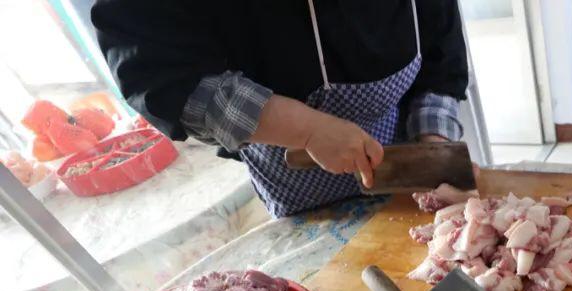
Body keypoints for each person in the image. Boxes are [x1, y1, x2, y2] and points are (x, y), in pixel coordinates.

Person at [91, 0, 469, 219]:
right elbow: (159, 76)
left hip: (409, 180)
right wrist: (307, 130)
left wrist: (433, 152)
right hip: (301, 194)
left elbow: (440, 58)